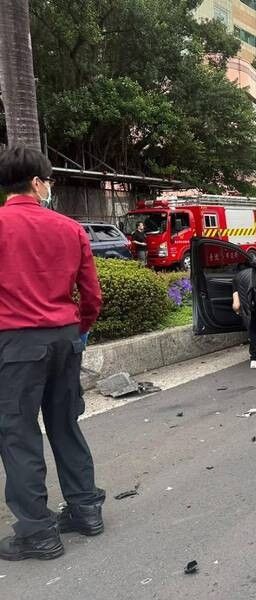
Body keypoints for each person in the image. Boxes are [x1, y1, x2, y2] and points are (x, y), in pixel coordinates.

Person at [0, 147, 105, 561]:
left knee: (19, 435)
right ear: (38, 183)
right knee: (65, 424)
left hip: (15, 344)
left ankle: (38, 533)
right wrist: (77, 332)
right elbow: (91, 296)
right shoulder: (69, 228)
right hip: (64, 338)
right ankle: (85, 512)